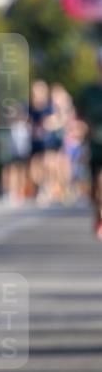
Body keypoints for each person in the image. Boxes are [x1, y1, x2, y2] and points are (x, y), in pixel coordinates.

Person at [76, 49, 102, 240]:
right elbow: (78, 117)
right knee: (94, 187)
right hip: (94, 143)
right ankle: (99, 214)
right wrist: (81, 127)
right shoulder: (89, 92)